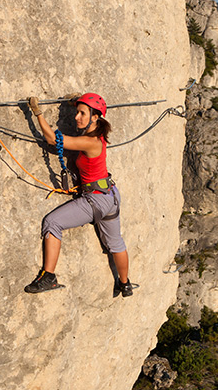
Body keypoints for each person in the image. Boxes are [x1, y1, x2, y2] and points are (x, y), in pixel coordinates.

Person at [23, 93, 136, 297]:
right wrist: (78, 97)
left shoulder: (90, 141)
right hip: (109, 195)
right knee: (115, 243)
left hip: (95, 199)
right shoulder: (97, 137)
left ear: (95, 117)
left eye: (82, 113)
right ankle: (125, 283)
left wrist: (36, 112)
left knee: (52, 222)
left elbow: (51, 138)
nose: (77, 117)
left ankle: (48, 276)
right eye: (77, 112)